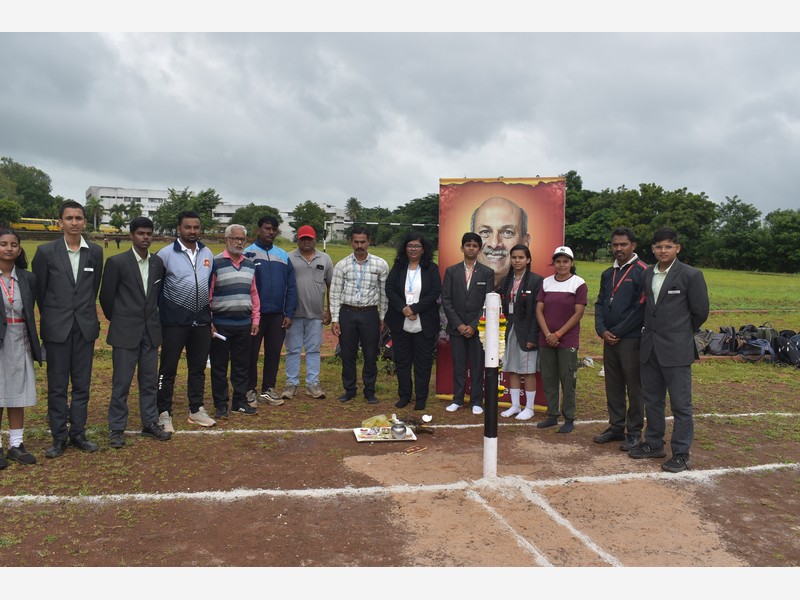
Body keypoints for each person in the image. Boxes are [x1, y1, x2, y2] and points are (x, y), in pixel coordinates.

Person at [629, 228, 709, 473]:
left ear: (677, 248)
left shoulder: (691, 275)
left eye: (668, 246)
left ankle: (681, 454)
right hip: (650, 347)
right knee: (652, 400)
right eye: (659, 247)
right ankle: (654, 444)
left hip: (676, 349)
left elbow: (700, 312)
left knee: (681, 405)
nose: (663, 251)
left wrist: (679, 333)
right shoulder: (647, 274)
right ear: (653, 249)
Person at [32, 200, 103, 458]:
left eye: (78, 218)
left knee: (82, 384)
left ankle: (78, 434)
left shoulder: (95, 252)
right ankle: (59, 436)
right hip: (57, 328)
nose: (74, 222)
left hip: (84, 327)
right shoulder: (45, 252)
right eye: (69, 218)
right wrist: (57, 315)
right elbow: (40, 293)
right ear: (60, 222)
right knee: (57, 386)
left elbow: (92, 289)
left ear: (84, 222)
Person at [99, 217, 171, 448]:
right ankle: (117, 428)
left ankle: (149, 423)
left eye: (149, 233)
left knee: (149, 382)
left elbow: (156, 296)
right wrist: (121, 320)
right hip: (125, 332)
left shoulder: (157, 263)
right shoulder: (116, 262)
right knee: (121, 383)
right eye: (141, 233)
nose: (145, 237)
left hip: (150, 332)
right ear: (132, 235)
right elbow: (106, 298)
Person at [156, 210, 216, 431]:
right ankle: (163, 412)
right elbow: (156, 290)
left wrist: (209, 318)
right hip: (174, 323)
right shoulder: (164, 255)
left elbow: (209, 287)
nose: (192, 231)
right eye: (188, 227)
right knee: (167, 370)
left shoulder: (207, 252)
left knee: (198, 369)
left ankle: (196, 409)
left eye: (196, 227)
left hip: (201, 322)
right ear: (179, 229)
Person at [593, 228, 648, 451]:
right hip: (609, 339)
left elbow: (640, 308)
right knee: (613, 384)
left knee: (634, 387)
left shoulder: (643, 271)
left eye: (623, 244)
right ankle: (616, 426)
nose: (618, 249)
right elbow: (600, 303)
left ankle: (634, 431)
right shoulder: (608, 273)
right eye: (615, 245)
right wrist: (601, 330)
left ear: (633, 245)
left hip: (631, 339)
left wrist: (617, 331)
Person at [330, 226, 389, 404]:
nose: (359, 245)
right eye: (356, 242)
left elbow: (384, 294)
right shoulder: (342, 265)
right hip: (347, 313)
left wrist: (382, 317)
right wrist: (335, 319)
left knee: (371, 354)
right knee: (348, 354)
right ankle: (349, 390)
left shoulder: (380, 264)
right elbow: (335, 293)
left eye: (363, 242)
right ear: (351, 242)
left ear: (369, 242)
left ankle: (369, 391)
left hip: (370, 313)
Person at [385, 232, 441, 411]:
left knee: (423, 362)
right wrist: (404, 309)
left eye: (417, 246)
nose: (413, 249)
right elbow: (389, 289)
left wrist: (414, 309)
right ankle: (404, 395)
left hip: (424, 321)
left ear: (423, 249)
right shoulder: (399, 266)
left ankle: (421, 398)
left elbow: (434, 292)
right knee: (402, 361)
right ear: (405, 248)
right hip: (400, 321)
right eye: (410, 246)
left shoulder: (431, 268)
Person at [244, 216, 297, 406]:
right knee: (251, 353)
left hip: (277, 315)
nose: (271, 232)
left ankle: (268, 389)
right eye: (267, 228)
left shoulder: (283, 255)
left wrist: (289, 313)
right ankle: (249, 389)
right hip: (255, 316)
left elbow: (291, 286)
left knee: (273, 353)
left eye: (274, 229)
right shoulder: (248, 254)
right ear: (258, 230)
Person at [0, 229, 42, 468]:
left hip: (21, 339)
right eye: (3, 244)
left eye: (14, 244)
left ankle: (16, 445)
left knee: (17, 393)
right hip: (1, 340)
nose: (9, 248)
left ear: (19, 249)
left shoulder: (27, 278)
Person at [209, 224, 260, 418]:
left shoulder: (249, 265)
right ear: (226, 240)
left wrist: (255, 319)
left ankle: (239, 402)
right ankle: (221, 404)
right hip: (221, 325)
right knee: (219, 367)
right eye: (235, 238)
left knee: (241, 366)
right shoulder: (216, 263)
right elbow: (209, 294)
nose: (239, 242)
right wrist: (210, 321)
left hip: (244, 325)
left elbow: (254, 294)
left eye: (242, 239)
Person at [535, 246, 588, 433]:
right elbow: (539, 310)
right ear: (554, 263)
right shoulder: (546, 282)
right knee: (549, 378)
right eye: (558, 261)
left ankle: (569, 418)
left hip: (567, 340)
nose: (561, 265)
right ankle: (552, 415)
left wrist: (557, 334)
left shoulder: (578, 283)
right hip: (546, 339)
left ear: (571, 263)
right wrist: (548, 334)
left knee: (567, 380)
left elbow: (578, 313)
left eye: (565, 261)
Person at [441, 232, 495, 415]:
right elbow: (446, 300)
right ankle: (457, 399)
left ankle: (476, 400)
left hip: (477, 329)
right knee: (459, 365)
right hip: (457, 328)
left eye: (475, 246)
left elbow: (488, 302)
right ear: (462, 247)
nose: (471, 248)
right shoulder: (451, 271)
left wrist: (473, 325)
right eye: (468, 245)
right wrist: (459, 325)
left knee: (477, 365)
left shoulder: (487, 272)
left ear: (479, 249)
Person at [282, 225, 333, 400]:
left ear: (315, 239)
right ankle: (291, 384)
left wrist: (329, 310)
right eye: (303, 238)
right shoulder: (288, 257)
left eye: (309, 239)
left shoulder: (325, 259)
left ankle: (313, 383)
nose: (306, 242)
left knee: (313, 350)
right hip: (293, 315)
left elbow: (330, 285)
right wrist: (285, 312)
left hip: (316, 315)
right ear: (297, 239)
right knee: (292, 350)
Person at [498, 244, 543, 421]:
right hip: (510, 331)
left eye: (521, 257)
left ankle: (529, 408)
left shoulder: (536, 281)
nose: (517, 261)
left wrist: (533, 337)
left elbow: (538, 313)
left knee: (528, 371)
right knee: (512, 369)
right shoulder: (505, 281)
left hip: (527, 333)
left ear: (528, 259)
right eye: (514, 257)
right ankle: (515, 405)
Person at [471, 196, 530, 291]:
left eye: (507, 232)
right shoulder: (457, 281)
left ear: (525, 242)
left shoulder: (537, 286)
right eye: (485, 232)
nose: (494, 244)